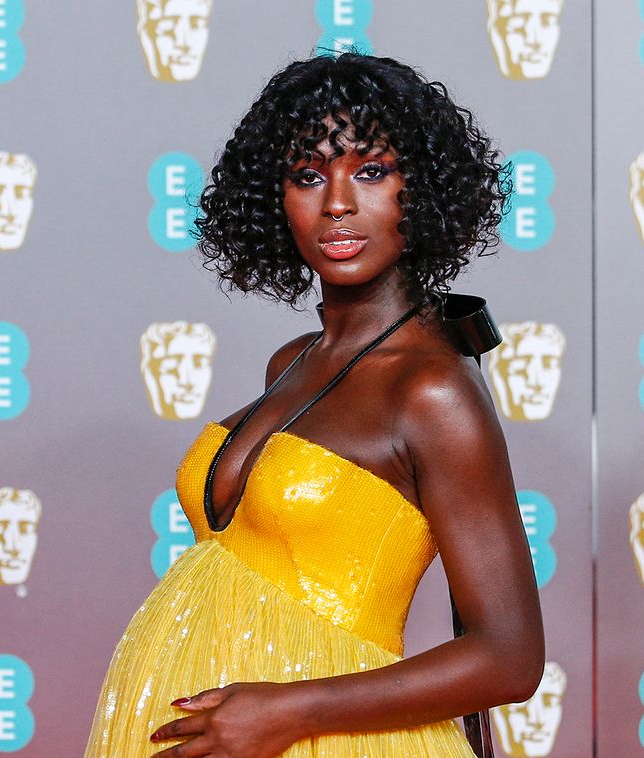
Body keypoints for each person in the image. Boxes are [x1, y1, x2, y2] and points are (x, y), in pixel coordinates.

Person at [85, 52, 544, 757]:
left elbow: (508, 657)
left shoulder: (431, 389)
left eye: (370, 171)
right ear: (273, 199)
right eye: (306, 176)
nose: (336, 201)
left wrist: (288, 711)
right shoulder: (294, 361)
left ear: (419, 191)